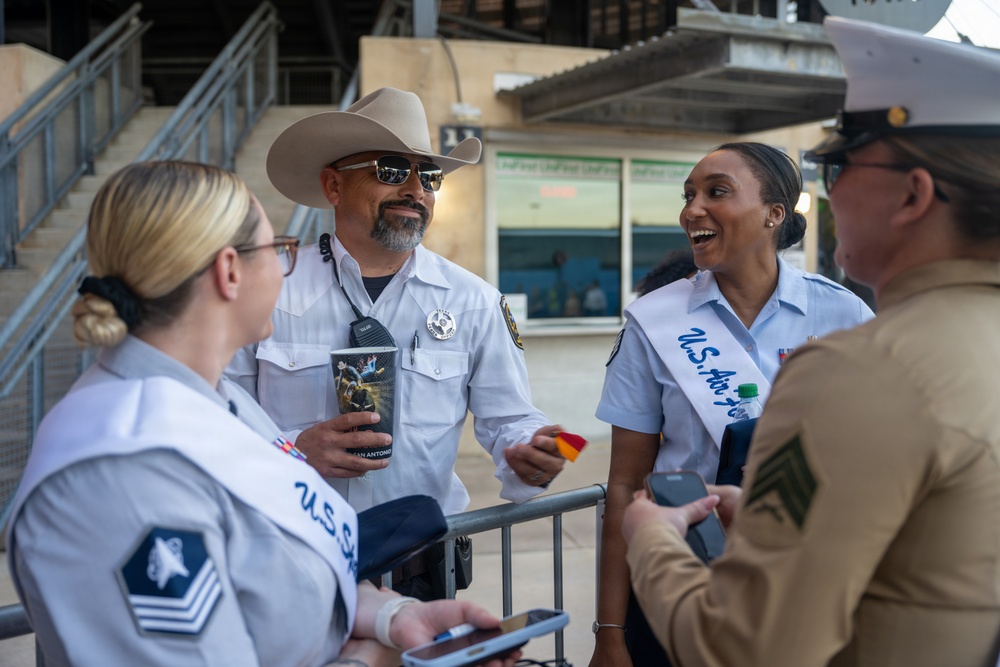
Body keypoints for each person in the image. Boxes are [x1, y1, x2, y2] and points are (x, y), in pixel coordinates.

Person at [5, 161, 517, 667]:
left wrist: (392, 617)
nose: (289, 267)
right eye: (277, 250)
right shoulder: (122, 470)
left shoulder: (218, 404)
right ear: (230, 272)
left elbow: (281, 569)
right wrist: (373, 659)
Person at [621, 17, 1000, 667]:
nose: (828, 192)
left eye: (839, 165)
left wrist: (651, 537)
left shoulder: (861, 368)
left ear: (912, 195)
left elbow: (745, 645)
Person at [225, 87, 565, 597]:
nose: (415, 190)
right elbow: (213, 419)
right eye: (390, 170)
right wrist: (292, 451)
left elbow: (512, 418)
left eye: (429, 177)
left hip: (419, 574)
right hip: (289, 566)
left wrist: (535, 453)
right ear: (333, 185)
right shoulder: (265, 288)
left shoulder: (473, 301)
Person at [590, 141, 875, 666]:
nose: (692, 211)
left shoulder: (844, 315)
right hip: (680, 581)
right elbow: (625, 486)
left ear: (774, 214)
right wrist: (610, 633)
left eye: (716, 192)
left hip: (809, 582)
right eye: (688, 195)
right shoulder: (653, 323)